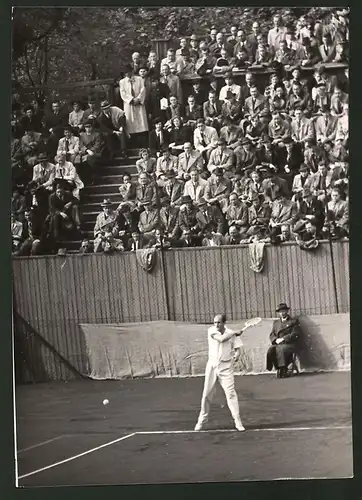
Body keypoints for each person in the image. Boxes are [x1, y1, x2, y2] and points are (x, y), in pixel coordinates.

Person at [194, 313, 245, 432]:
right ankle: (202, 419)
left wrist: (236, 356)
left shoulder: (232, 333)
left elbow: (237, 349)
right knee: (207, 394)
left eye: (219, 322)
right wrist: (234, 333)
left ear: (224, 323)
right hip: (212, 366)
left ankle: (237, 421)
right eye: (215, 322)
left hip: (226, 367)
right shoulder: (211, 331)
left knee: (231, 394)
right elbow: (221, 339)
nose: (216, 324)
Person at [266, 303, 301, 378]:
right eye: (280, 312)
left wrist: (283, 339)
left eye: (284, 311)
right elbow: (272, 334)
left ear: (287, 311)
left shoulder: (293, 321)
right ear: (278, 313)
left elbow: (295, 333)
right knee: (271, 350)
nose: (282, 313)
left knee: (280, 349)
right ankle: (278, 368)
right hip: (278, 343)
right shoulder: (276, 323)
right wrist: (275, 340)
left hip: (290, 344)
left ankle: (283, 369)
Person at [119, 65, 149, 148]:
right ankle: (133, 144)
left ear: (132, 71)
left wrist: (138, 99)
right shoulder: (122, 82)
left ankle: (143, 145)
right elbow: (123, 93)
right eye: (126, 73)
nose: (127, 74)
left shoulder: (139, 79)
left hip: (139, 104)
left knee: (141, 122)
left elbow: (143, 90)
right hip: (129, 104)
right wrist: (131, 99)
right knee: (131, 123)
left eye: (129, 72)